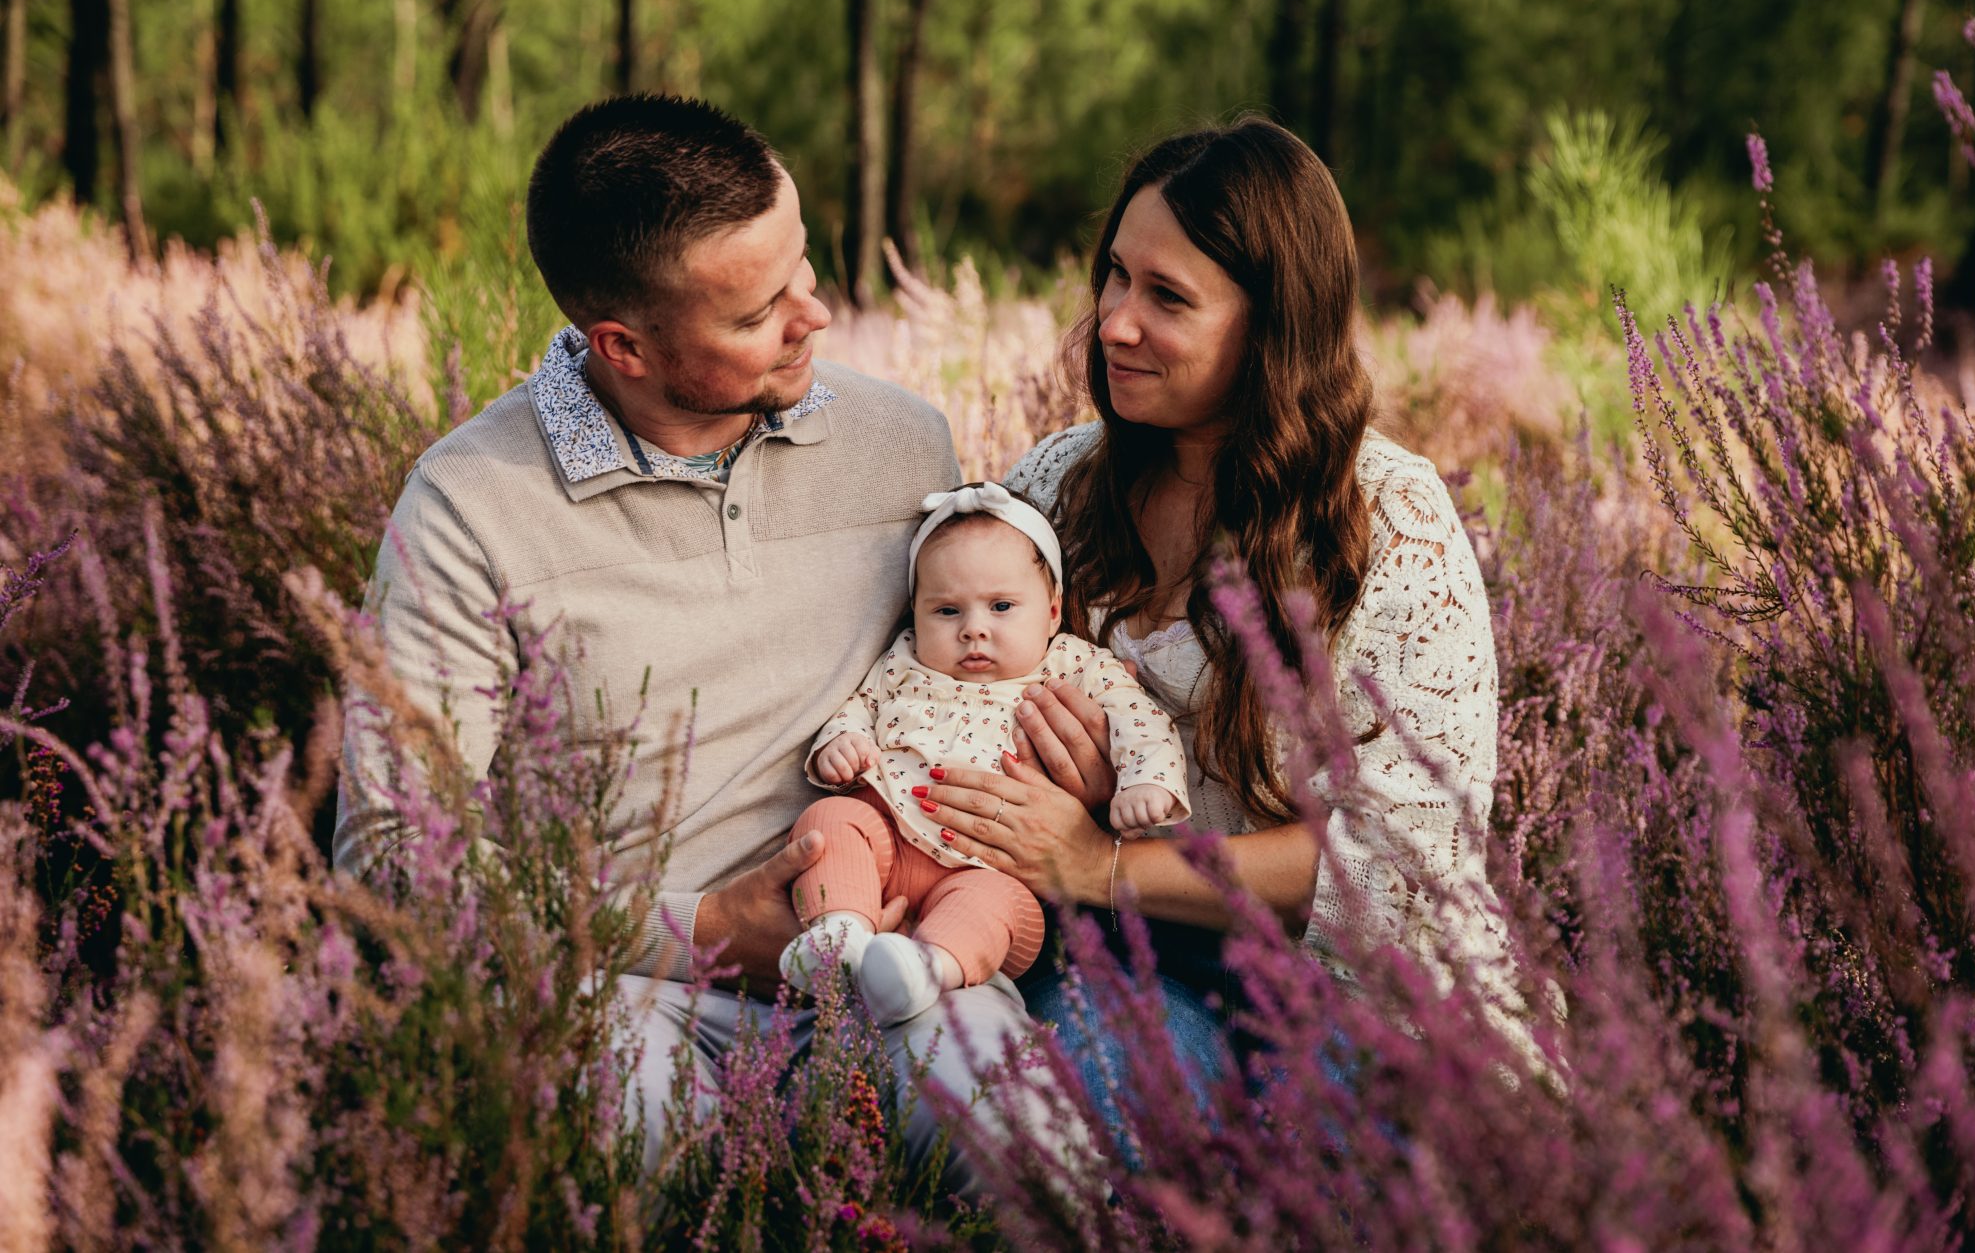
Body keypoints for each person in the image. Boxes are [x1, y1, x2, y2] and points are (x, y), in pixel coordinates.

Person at [333, 94, 1056, 1186]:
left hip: (896, 958)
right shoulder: (469, 508)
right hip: (622, 991)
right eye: (761, 311)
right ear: (622, 345)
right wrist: (702, 927)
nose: (814, 315)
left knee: (1043, 1164)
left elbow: (992, 647)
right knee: (625, 1160)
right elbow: (396, 859)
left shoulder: (900, 442)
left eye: (803, 267)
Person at [914, 115, 1529, 1119]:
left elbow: (1391, 865)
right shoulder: (1059, 485)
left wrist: (1100, 858)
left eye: (1167, 297)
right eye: (1115, 276)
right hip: (1098, 958)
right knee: (988, 1105)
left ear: (1271, 324)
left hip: (1342, 1004)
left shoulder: (1387, 522)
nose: (1114, 320)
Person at [780, 481, 1189, 1026]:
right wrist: (842, 743)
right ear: (915, 616)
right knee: (830, 820)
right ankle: (840, 934)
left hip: (991, 865)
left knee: (1002, 909)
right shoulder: (903, 660)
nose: (974, 629)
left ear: (1050, 613)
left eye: (1001, 606)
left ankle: (923, 970)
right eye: (946, 611)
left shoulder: (1071, 665)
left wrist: (1146, 783)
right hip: (890, 838)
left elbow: (1141, 722)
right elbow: (859, 706)